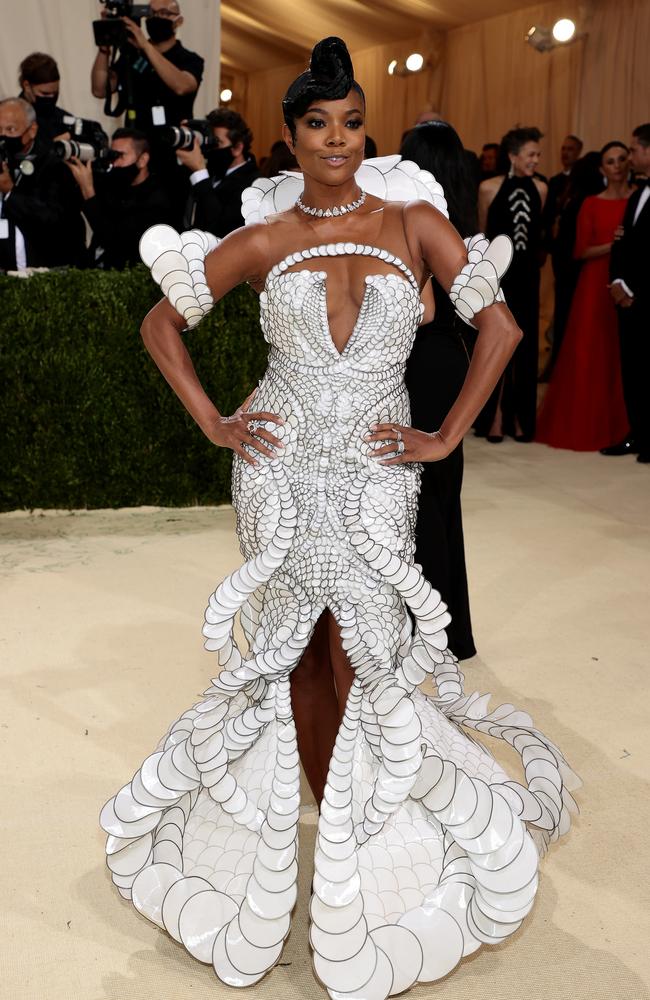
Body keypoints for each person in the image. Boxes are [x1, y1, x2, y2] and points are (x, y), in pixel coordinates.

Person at [99, 38, 577, 994]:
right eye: (318, 124)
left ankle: (362, 835)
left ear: (367, 130)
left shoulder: (412, 224)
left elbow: (504, 328)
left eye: (353, 123)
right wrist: (215, 422)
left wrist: (442, 438)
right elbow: (161, 322)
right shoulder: (268, 238)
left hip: (374, 471)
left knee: (365, 647)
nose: (338, 140)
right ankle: (318, 821)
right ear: (290, 137)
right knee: (296, 648)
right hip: (278, 472)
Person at [400, 120, 477, 660]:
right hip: (453, 358)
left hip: (422, 356)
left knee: (418, 496)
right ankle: (452, 634)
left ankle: (425, 632)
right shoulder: (465, 224)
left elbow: (419, 310)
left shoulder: (420, 222)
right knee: (443, 495)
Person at [536, 142, 632, 451]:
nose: (616, 166)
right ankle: (588, 426)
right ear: (602, 169)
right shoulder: (591, 203)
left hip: (628, 282)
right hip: (593, 285)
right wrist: (616, 244)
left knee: (622, 354)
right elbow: (581, 250)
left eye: (621, 160)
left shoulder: (637, 199)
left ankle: (626, 428)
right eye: (610, 161)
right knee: (591, 354)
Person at [476, 127, 547, 441]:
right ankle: (494, 417)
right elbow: (480, 236)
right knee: (497, 344)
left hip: (529, 279)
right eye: (531, 154)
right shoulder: (488, 188)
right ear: (513, 156)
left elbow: (537, 237)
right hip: (497, 280)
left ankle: (521, 418)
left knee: (526, 348)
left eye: (537, 155)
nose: (536, 160)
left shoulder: (542, 189)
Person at [65, 127, 174, 269]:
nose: (115, 164)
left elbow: (118, 241)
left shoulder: (157, 199)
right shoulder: (113, 184)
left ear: (142, 159)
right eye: (112, 156)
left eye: (121, 156)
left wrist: (88, 191)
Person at [606, 123, 650, 462]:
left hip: (645, 295)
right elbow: (622, 242)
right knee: (633, 369)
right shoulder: (637, 194)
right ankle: (638, 434)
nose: (631, 156)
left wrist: (634, 287)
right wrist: (618, 282)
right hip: (627, 296)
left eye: (634, 149)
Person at [91, 0, 203, 133]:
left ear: (179, 21)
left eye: (164, 13)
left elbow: (182, 86)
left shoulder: (190, 59)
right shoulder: (132, 54)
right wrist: (104, 46)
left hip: (172, 142)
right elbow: (100, 90)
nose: (156, 18)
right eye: (152, 13)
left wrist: (145, 45)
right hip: (137, 142)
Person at [0, 97, 85, 270]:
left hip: (48, 270)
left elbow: (53, 219)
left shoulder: (54, 164)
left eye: (11, 129)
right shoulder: (4, 158)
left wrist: (10, 191)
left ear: (32, 130)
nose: (3, 136)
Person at [177, 108, 259, 236]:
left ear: (237, 147)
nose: (211, 149)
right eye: (210, 141)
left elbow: (222, 228)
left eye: (217, 142)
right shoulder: (212, 171)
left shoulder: (253, 184)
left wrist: (199, 172)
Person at [543, 134, 584, 370]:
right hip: (558, 254)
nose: (565, 153)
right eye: (563, 148)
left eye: (570, 149)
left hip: (574, 256)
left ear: (578, 152)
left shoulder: (584, 183)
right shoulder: (555, 181)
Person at [18, 52, 74, 145]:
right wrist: (53, 146)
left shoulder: (62, 118)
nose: (51, 97)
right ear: (27, 86)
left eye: (55, 93)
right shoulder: (9, 119)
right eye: (45, 93)